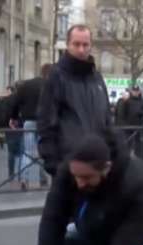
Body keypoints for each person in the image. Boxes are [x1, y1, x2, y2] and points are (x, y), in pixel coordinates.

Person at [37, 24, 111, 176]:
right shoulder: (56, 76)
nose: (81, 49)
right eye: (76, 44)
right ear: (67, 45)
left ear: (91, 46)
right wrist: (53, 164)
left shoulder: (97, 79)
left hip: (98, 166)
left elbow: (107, 120)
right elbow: (46, 122)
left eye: (85, 45)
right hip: (69, 165)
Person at [9, 64, 52, 190]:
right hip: (45, 123)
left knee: (27, 152)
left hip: (28, 121)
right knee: (43, 151)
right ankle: (43, 179)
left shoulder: (26, 85)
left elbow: (15, 102)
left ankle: (24, 179)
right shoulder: (51, 86)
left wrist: (13, 117)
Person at [122, 86, 143, 158]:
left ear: (139, 92)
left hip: (139, 127)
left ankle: (138, 160)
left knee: (139, 146)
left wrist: (141, 113)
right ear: (132, 92)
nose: (135, 92)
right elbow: (123, 113)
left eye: (136, 91)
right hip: (129, 127)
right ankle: (127, 160)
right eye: (134, 91)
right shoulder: (128, 102)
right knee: (128, 145)